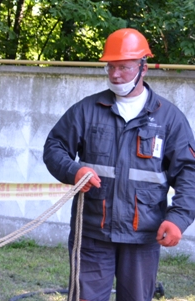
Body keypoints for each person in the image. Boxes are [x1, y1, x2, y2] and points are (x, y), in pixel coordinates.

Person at [43, 28, 195, 301]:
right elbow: (54, 148)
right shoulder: (87, 110)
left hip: (143, 237)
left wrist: (178, 219)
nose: (115, 75)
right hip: (92, 234)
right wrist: (74, 170)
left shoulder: (168, 118)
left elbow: (189, 172)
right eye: (110, 67)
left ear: (143, 68)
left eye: (124, 67)